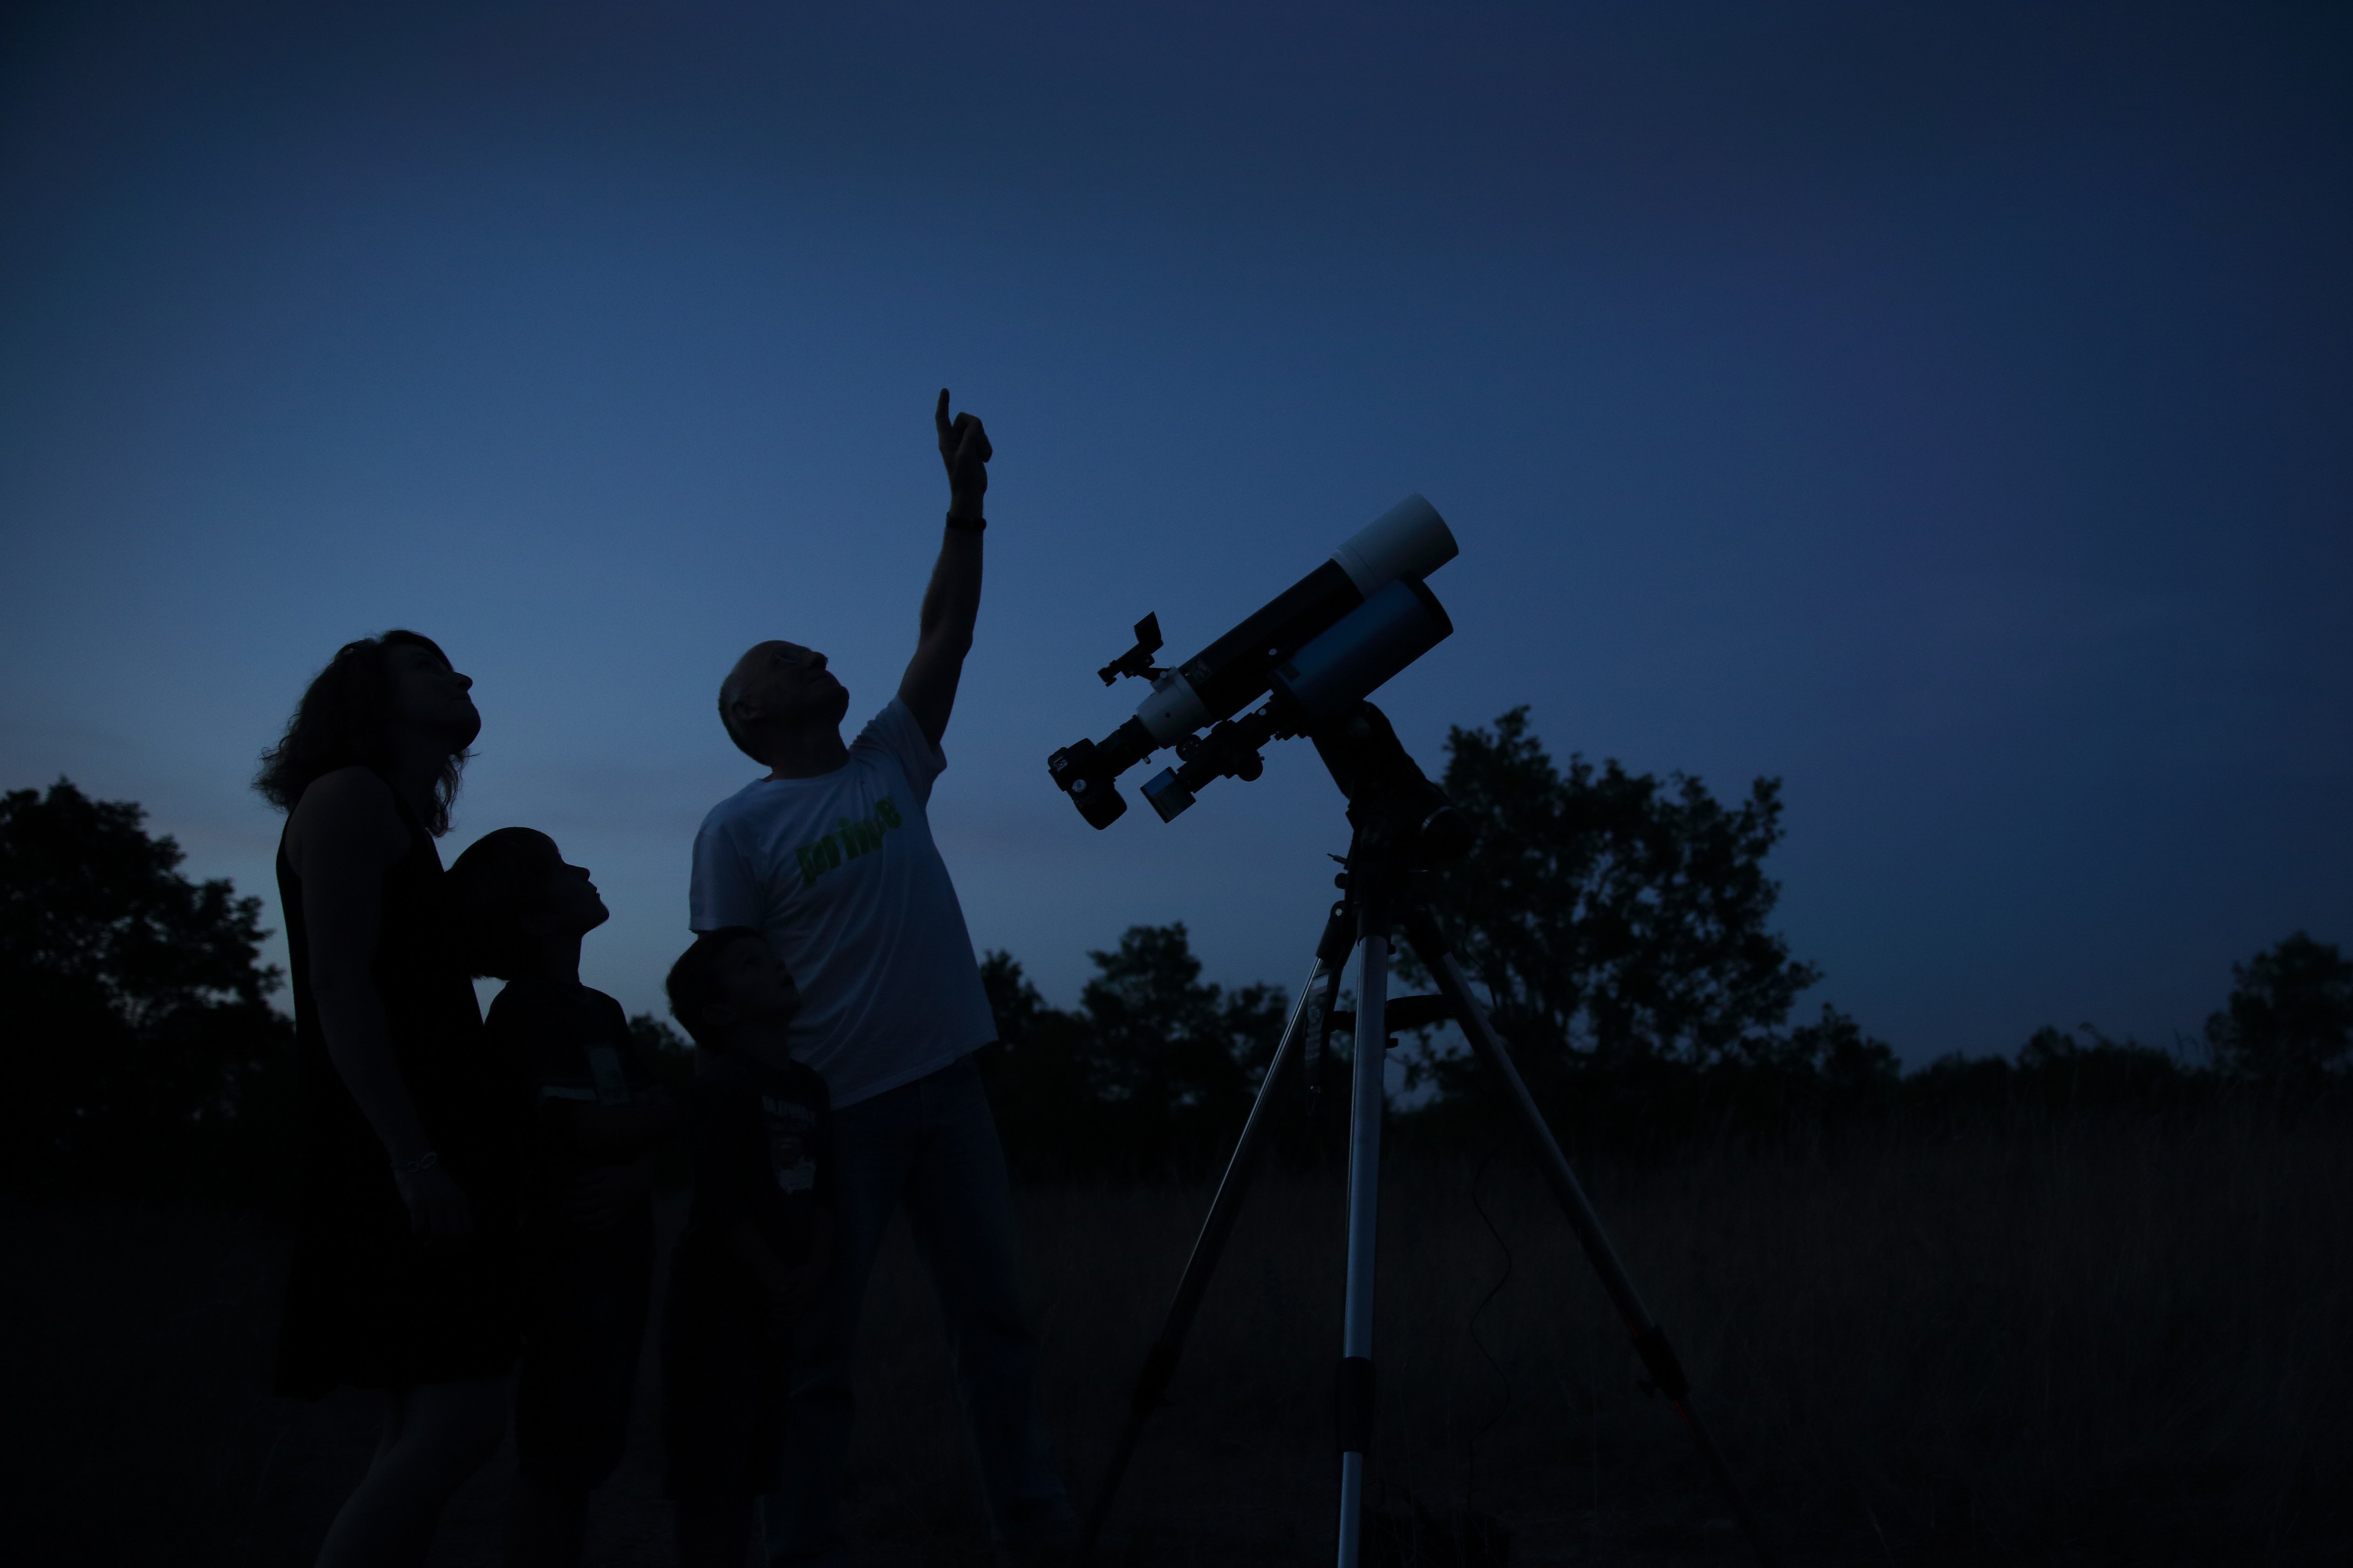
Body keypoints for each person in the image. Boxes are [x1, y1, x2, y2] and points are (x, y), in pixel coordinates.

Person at [689, 390, 1075, 1565]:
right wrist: (760, 1134)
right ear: (751, 712)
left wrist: (964, 509)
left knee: (996, 1332)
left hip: (949, 1090)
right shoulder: (737, 830)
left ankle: (1035, 1540)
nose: (816, 650)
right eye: (784, 656)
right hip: (835, 1117)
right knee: (814, 1360)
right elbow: (720, 997)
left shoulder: (887, 761)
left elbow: (942, 634)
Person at [256, 630, 524, 1568]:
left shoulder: (394, 818)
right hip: (396, 1144)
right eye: (428, 665)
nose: (462, 674)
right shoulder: (346, 798)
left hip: (427, 1139)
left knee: (423, 1417)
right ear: (368, 699)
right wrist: (413, 1160)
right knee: (463, 1420)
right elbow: (338, 986)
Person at [447, 828, 677, 1568]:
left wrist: (644, 1161)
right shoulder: (527, 1011)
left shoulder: (601, 1010)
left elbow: (639, 1128)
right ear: (538, 918)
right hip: (565, 1270)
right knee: (557, 1462)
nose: (581, 868)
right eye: (557, 868)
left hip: (616, 1265)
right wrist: (689, 1107)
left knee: (586, 1456)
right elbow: (585, 1123)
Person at [662, 928, 836, 1568]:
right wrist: (775, 1278)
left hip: (773, 1313)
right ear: (721, 1010)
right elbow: (721, 1201)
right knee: (712, 1475)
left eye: (770, 957)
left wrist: (813, 1267)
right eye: (749, 965)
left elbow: (825, 1191)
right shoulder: (722, 1088)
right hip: (717, 1313)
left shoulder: (810, 1087)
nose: (776, 966)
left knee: (753, 1466)